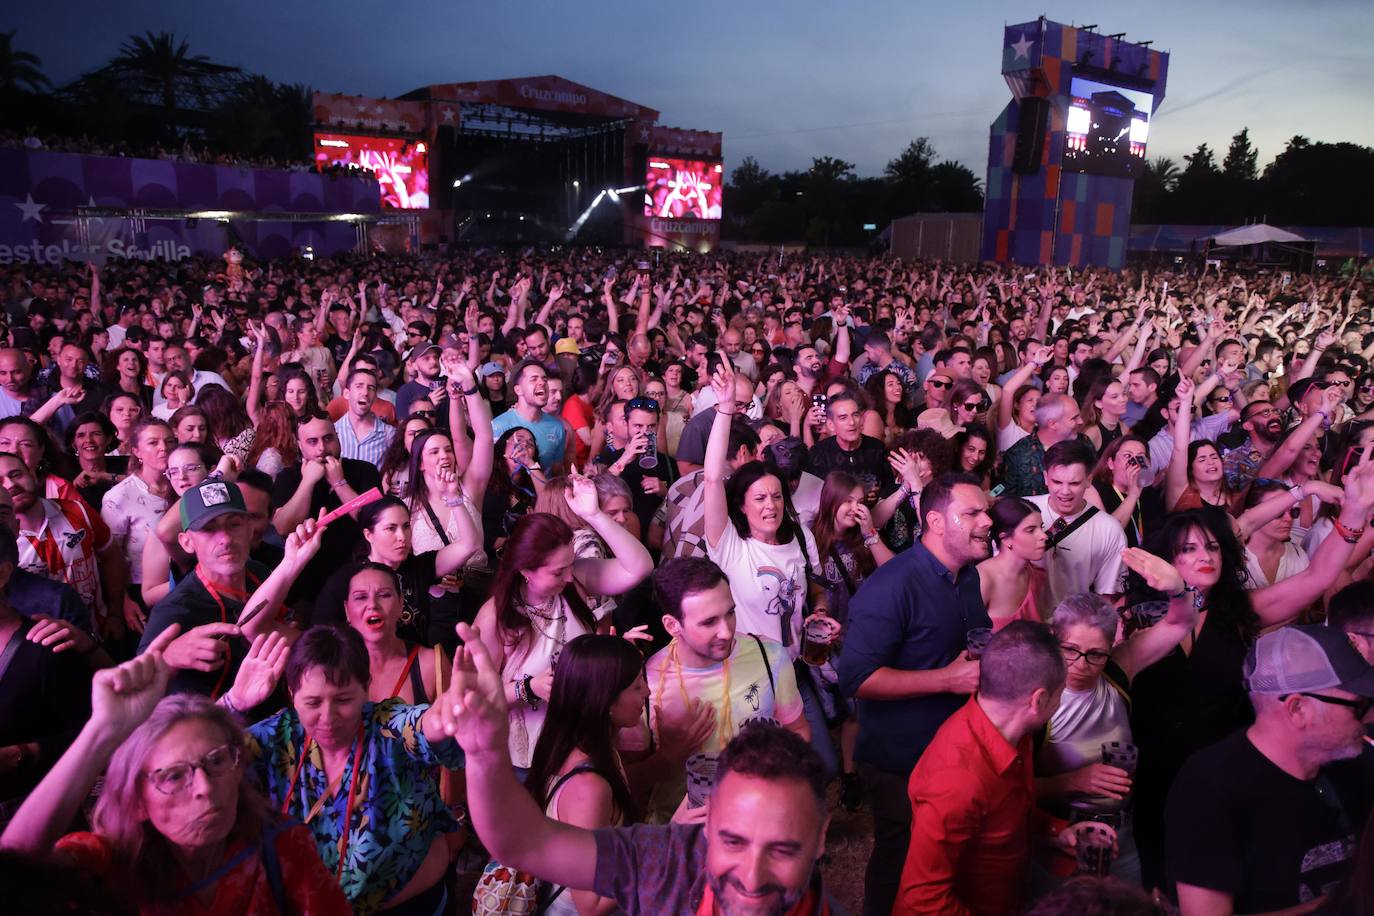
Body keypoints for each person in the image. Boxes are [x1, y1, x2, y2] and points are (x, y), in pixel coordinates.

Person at [446, 625, 843, 916]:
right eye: (733, 840)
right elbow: (539, 859)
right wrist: (483, 753)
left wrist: (668, 758)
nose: (753, 877)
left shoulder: (590, 748)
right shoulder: (608, 806)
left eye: (782, 848)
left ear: (821, 837)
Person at [1129, 455, 1374, 889]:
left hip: (1228, 773)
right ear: (1164, 559)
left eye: (1212, 547)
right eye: (1188, 549)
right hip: (1156, 775)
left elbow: (1317, 578)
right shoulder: (1137, 621)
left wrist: (1354, 513)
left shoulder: (1238, 614)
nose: (1205, 556)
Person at [0, 629, 350, 914]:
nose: (204, 787)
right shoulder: (111, 864)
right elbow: (14, 866)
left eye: (216, 761)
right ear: (137, 800)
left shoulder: (281, 846)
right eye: (173, 776)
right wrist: (102, 730)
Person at [837, 473, 990, 916]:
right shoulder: (891, 587)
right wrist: (947, 679)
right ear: (936, 522)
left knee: (943, 863)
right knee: (901, 861)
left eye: (985, 512)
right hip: (900, 761)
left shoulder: (967, 576)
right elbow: (856, 678)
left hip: (953, 749)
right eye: (973, 513)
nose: (987, 521)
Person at [247, 623, 473, 914]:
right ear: (292, 694)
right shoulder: (279, 735)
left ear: (366, 688)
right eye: (313, 702)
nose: (328, 717)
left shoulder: (386, 725)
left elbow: (421, 724)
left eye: (343, 699)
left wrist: (448, 713)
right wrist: (234, 703)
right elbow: (206, 755)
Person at [1166, 624, 1374, 914]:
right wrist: (1344, 903)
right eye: (1360, 705)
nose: (1369, 717)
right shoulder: (1208, 788)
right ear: (1298, 709)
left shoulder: (1354, 762)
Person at [471, 473, 653, 770]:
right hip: (529, 760)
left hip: (586, 746)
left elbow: (640, 567)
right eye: (558, 572)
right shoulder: (495, 617)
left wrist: (594, 515)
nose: (569, 577)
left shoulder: (576, 580)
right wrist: (528, 688)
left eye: (570, 564)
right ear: (525, 570)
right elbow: (477, 699)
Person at [1034, 576, 1202, 886]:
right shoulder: (1037, 699)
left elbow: (1182, 621)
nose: (1082, 664)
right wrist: (1072, 781)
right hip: (1064, 837)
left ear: (1112, 648)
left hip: (1121, 834)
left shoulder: (1117, 670)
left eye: (1096, 654)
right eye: (1070, 649)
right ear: (1054, 639)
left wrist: (1177, 586)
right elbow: (1010, 792)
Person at [896, 621, 1068, 915]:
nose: (1061, 701)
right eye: (1060, 692)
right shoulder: (957, 781)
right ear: (1038, 700)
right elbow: (922, 898)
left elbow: (1004, 815)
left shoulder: (1017, 735)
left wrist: (1055, 830)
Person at [621, 557, 808, 821]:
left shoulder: (770, 657)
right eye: (709, 622)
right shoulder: (646, 685)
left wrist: (779, 766)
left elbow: (798, 729)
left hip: (757, 823)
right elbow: (625, 782)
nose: (726, 632)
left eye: (730, 613)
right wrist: (667, 759)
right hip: (681, 836)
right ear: (672, 625)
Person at [702, 357, 822, 658]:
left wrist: (820, 611)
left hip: (796, 667)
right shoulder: (731, 547)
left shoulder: (801, 536)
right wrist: (726, 408)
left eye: (777, 496)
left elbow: (815, 586)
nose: (771, 505)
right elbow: (712, 479)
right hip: (750, 673)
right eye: (759, 499)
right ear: (742, 506)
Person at [522, 634, 649, 916]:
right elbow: (591, 904)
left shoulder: (570, 744)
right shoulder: (589, 789)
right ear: (606, 700)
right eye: (637, 685)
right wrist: (665, 843)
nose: (648, 692)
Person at [314, 494, 479, 650]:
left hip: (413, 664)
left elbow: (470, 545)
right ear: (369, 535)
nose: (402, 536)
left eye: (406, 526)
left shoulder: (418, 567)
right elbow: (320, 637)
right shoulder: (346, 580)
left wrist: (453, 498)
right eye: (391, 528)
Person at [2, 452, 121, 637]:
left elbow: (112, 557)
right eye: (0, 481)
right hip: (43, 645)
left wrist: (116, 613)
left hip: (101, 631)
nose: (11, 485)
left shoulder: (77, 510)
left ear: (32, 474)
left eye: (16, 474)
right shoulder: (4, 548)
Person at [270, 410, 383, 599]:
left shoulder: (364, 470)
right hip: (306, 584)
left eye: (328, 438)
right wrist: (307, 482)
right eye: (312, 441)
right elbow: (282, 527)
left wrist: (339, 483)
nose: (322, 448)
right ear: (300, 446)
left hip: (359, 576)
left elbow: (376, 522)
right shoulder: (288, 477)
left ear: (338, 438)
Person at [100, 418, 177, 637]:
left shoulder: (182, 483)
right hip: (140, 591)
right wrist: (123, 601)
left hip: (183, 582)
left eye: (169, 441)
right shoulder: (120, 496)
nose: (164, 448)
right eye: (153, 443)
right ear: (137, 451)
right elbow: (109, 557)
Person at [1028, 440, 1129, 607]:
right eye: (1057, 482)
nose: (1065, 491)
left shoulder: (1109, 530)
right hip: (1025, 617)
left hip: (1075, 619)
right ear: (1045, 478)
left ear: (1089, 480)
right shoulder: (1023, 512)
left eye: (1074, 483)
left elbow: (1108, 597)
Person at [976, 495, 1050, 629]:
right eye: (1031, 530)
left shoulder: (1037, 575)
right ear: (1005, 539)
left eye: (1041, 527)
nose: (1044, 536)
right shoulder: (982, 580)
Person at [999, 393, 1085, 498]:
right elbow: (1000, 489)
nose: (1081, 421)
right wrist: (990, 495)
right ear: (1052, 424)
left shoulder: (1084, 444)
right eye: (1074, 418)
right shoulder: (1018, 454)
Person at [489, 359, 568, 473]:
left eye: (544, 379)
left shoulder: (557, 427)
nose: (542, 383)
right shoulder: (497, 426)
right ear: (518, 390)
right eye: (534, 379)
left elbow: (556, 472)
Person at [334, 367, 396, 464]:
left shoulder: (389, 434)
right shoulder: (334, 431)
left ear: (375, 397)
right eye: (359, 386)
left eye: (371, 388)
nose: (365, 392)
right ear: (346, 393)